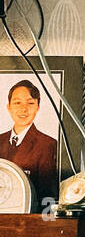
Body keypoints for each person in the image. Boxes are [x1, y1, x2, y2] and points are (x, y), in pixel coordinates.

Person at [3, 80, 58, 212]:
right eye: (17, 103)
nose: (24, 109)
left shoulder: (48, 145)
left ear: (38, 107)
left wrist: (46, 223)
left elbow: (49, 195)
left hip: (30, 222)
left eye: (30, 103)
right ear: (8, 107)